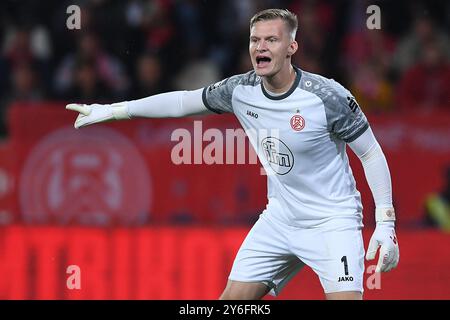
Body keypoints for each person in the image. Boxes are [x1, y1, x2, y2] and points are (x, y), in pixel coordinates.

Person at [66, 9, 399, 300]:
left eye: (271, 40)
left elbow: (370, 154)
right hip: (280, 219)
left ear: (291, 48)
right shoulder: (240, 90)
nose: (261, 47)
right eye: (255, 40)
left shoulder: (328, 97)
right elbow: (184, 102)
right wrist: (114, 109)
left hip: (333, 223)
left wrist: (385, 224)